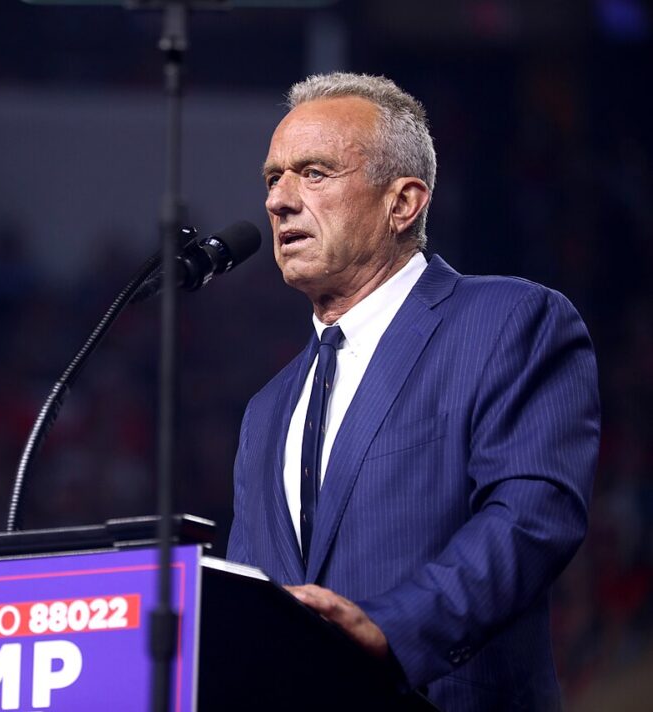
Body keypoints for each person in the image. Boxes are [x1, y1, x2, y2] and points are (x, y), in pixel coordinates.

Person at [226, 73, 599, 711]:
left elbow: (532, 516)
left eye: (314, 173)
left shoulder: (510, 321)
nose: (280, 201)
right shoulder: (267, 411)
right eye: (272, 178)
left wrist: (393, 629)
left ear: (404, 202)